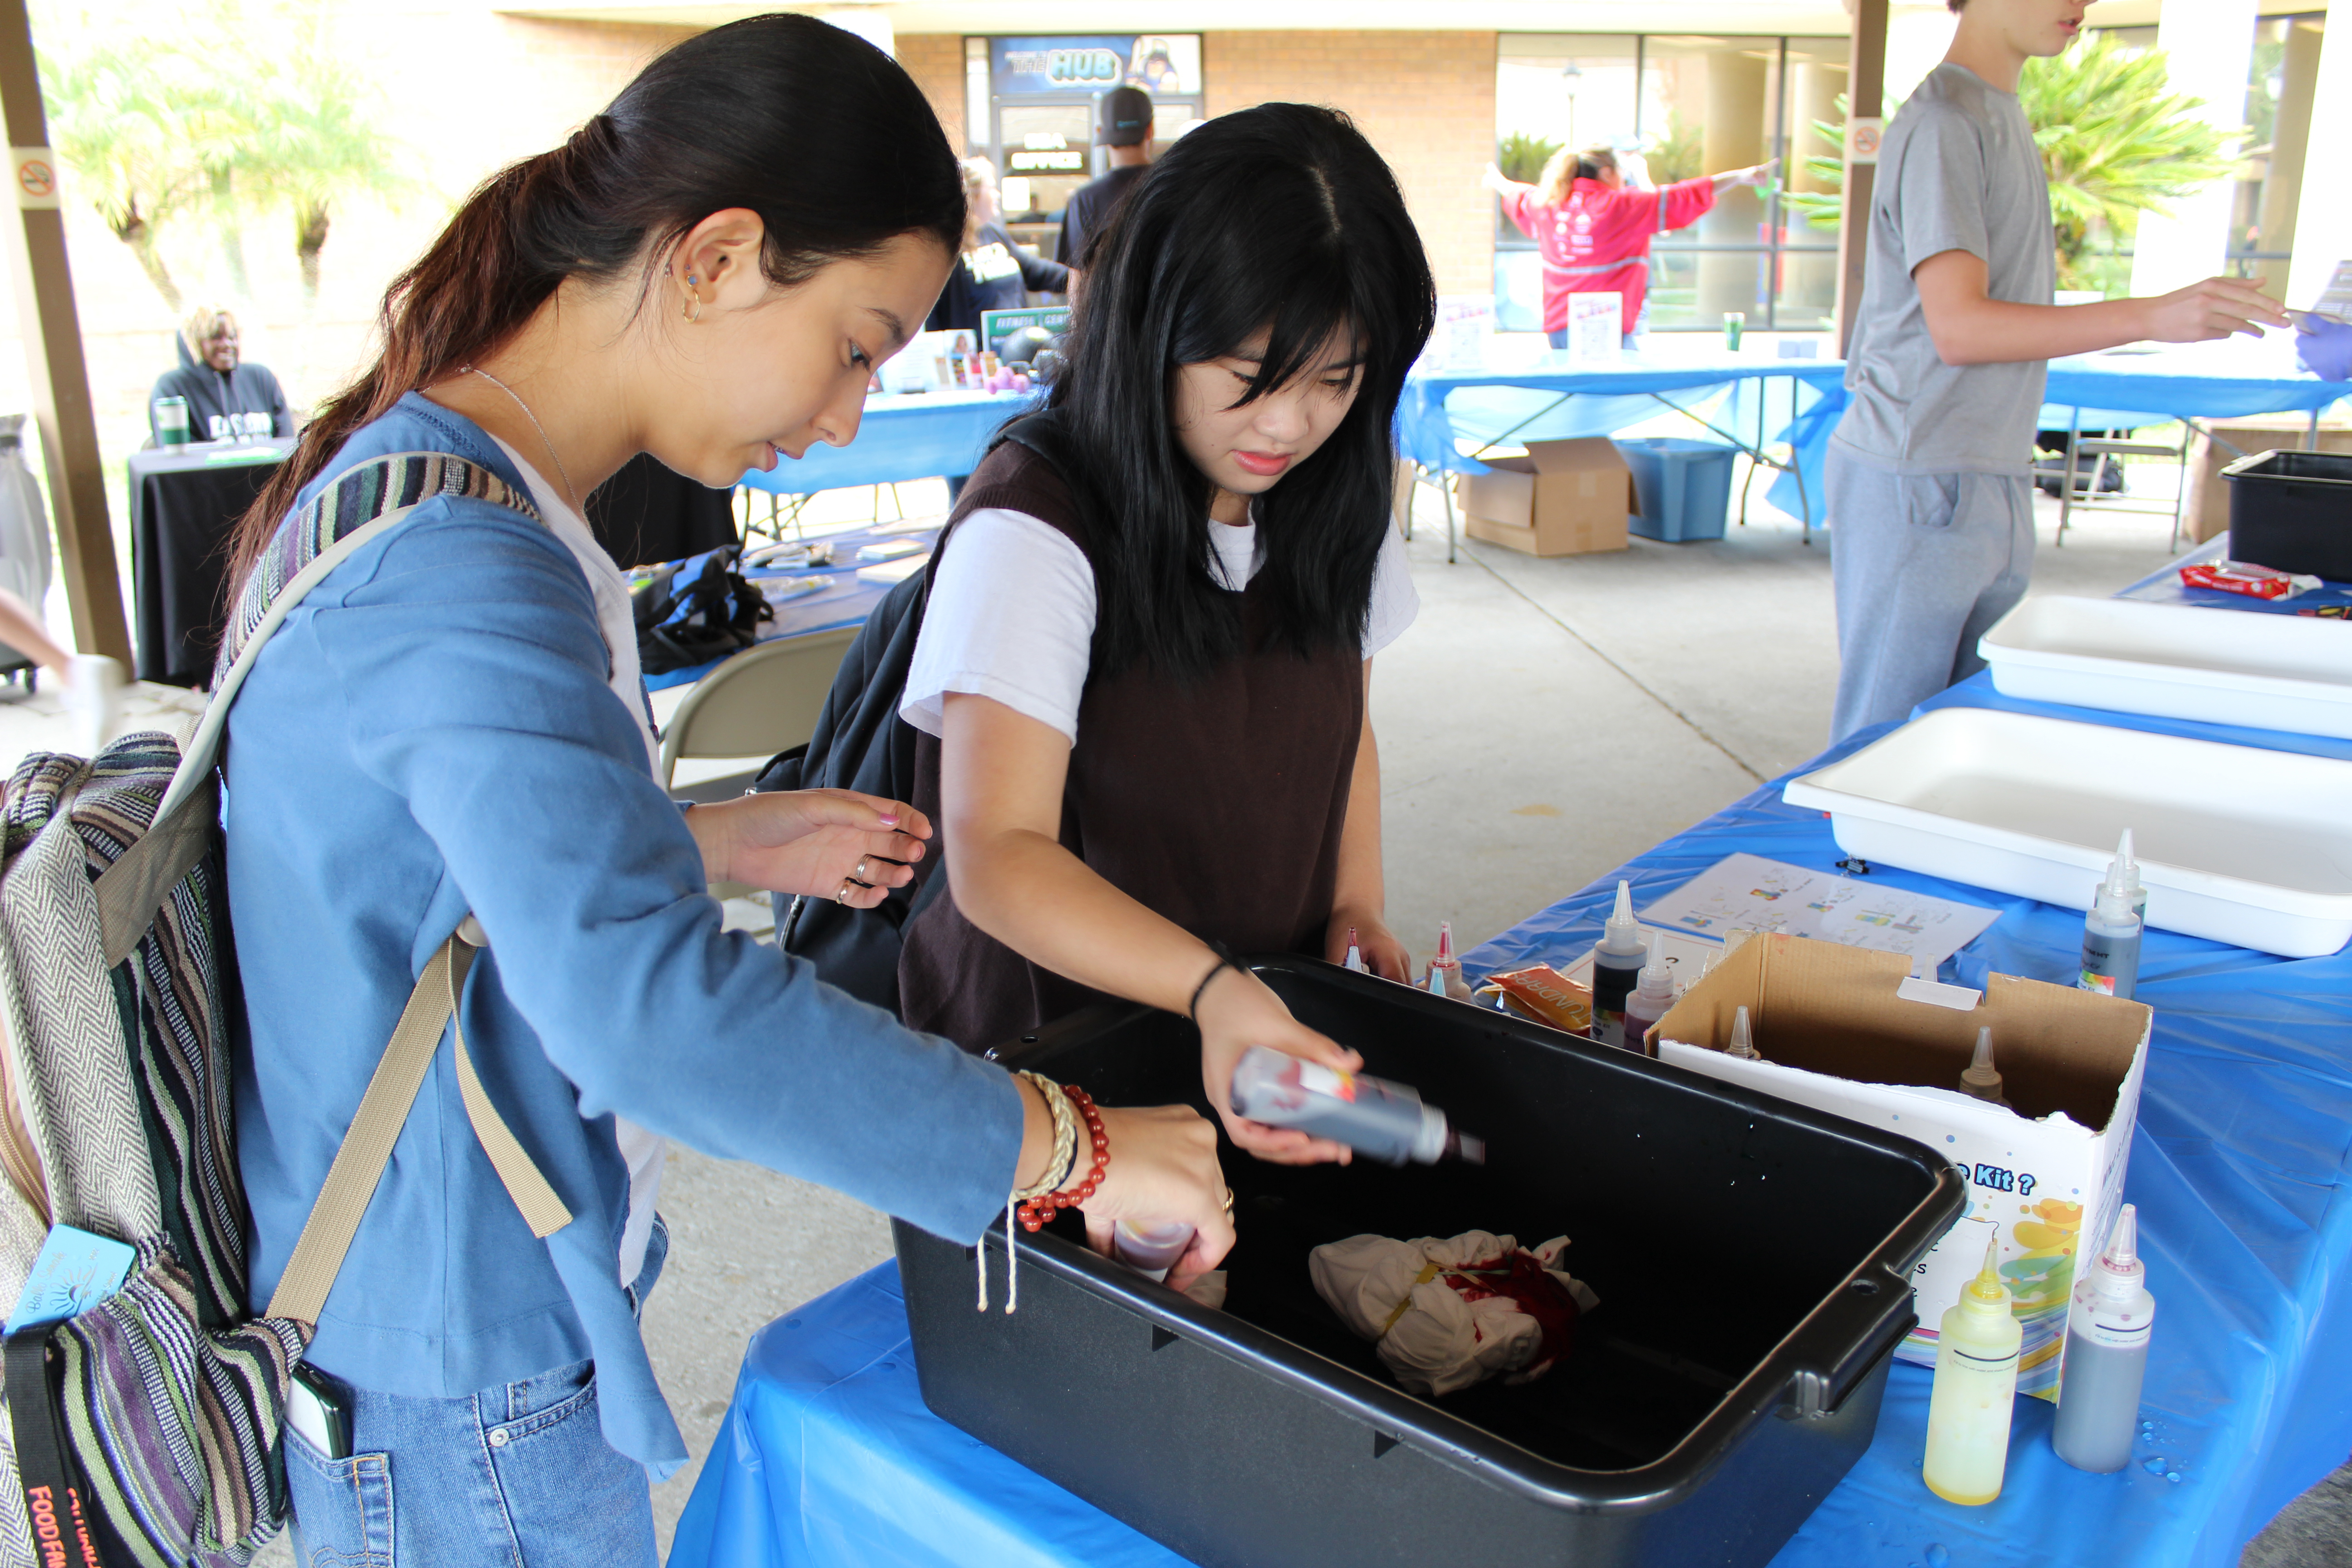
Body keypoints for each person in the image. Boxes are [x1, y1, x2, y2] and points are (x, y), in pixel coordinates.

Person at [217, 19, 1232, 1564]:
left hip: (449, 1305)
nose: (840, 417)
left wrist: (695, 836)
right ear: (719, 257)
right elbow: (657, 1019)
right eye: (855, 344)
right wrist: (1065, 1142)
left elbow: (406, 849)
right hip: (462, 1363)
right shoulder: (467, 568)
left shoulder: (437, 473)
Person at [895, 103, 1433, 1168]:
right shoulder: (1034, 524)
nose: (1287, 426)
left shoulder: (1330, 494)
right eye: (1248, 378)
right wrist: (1208, 986)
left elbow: (1344, 727)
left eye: (1336, 379)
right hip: (1052, 1062)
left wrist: (1353, 899)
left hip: (1245, 1021)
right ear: (1157, 329)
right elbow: (997, 857)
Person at [1825, 0, 2287, 744]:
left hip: (1983, 468)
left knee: (1954, 739)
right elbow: (1960, 326)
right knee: (1879, 747)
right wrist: (2147, 316)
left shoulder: (1993, 113)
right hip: (1922, 474)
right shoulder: (1945, 122)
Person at [1482, 147, 1775, 349]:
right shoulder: (1621, 205)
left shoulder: (1549, 203)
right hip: (1603, 329)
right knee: (1608, 403)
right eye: (1622, 173)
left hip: (1558, 329)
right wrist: (1740, 176)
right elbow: (1684, 195)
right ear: (1608, 172)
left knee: (1574, 406)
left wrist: (1495, 179)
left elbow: (1516, 192)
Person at [931, 157, 1071, 504]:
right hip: (978, 379)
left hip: (1020, 371)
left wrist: (1084, 279)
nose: (996, 194)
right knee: (973, 471)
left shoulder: (996, 235)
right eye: (992, 186)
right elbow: (934, 319)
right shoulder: (946, 247)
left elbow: (1034, 271)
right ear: (974, 193)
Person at [147, 304, 294, 442]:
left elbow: (286, 444)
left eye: (232, 337)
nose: (228, 345)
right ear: (194, 343)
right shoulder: (172, 388)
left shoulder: (261, 378)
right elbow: (181, 458)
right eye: (216, 337)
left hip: (272, 471)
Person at [1055, 84, 1154, 270]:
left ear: (1101, 132)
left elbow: (1078, 280)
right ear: (1150, 130)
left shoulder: (1085, 200)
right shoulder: (1177, 186)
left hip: (1110, 301)